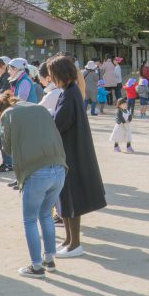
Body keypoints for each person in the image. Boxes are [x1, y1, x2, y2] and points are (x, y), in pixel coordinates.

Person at [0, 88, 67, 278]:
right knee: (46, 214)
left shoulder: (8, 114)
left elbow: (8, 148)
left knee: (30, 219)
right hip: (59, 168)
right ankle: (49, 260)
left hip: (36, 171)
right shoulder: (39, 108)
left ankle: (36, 267)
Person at [50, 55, 106, 258]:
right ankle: (68, 240)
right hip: (70, 151)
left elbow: (59, 123)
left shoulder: (69, 93)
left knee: (71, 198)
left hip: (70, 153)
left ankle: (75, 243)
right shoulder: (71, 91)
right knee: (64, 198)